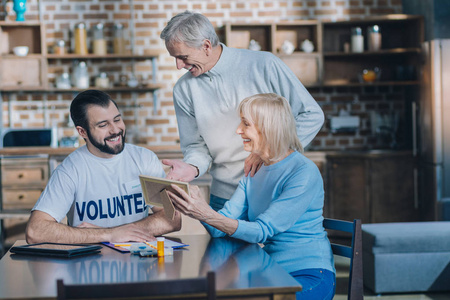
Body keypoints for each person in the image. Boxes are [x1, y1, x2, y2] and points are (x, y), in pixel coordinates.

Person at [168, 93, 335, 300]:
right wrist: (193, 204)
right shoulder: (255, 169)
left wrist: (207, 214)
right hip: (270, 271)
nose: (238, 130)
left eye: (245, 124)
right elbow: (219, 231)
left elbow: (262, 231)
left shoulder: (302, 172)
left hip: (308, 274)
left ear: (268, 127)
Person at [160, 11, 324, 211]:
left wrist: (271, 151)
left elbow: (311, 114)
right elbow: (195, 146)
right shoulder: (183, 89)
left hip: (273, 192)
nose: (178, 66)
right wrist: (192, 167)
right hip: (224, 198)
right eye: (175, 58)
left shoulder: (264, 64)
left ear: (205, 46)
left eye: (183, 57)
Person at [26, 90, 181, 244]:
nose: (115, 130)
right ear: (82, 132)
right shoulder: (69, 170)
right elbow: (36, 231)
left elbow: (172, 217)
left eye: (117, 120)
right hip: (87, 263)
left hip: (139, 260)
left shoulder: (144, 159)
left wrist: (120, 232)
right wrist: (109, 235)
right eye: (103, 125)